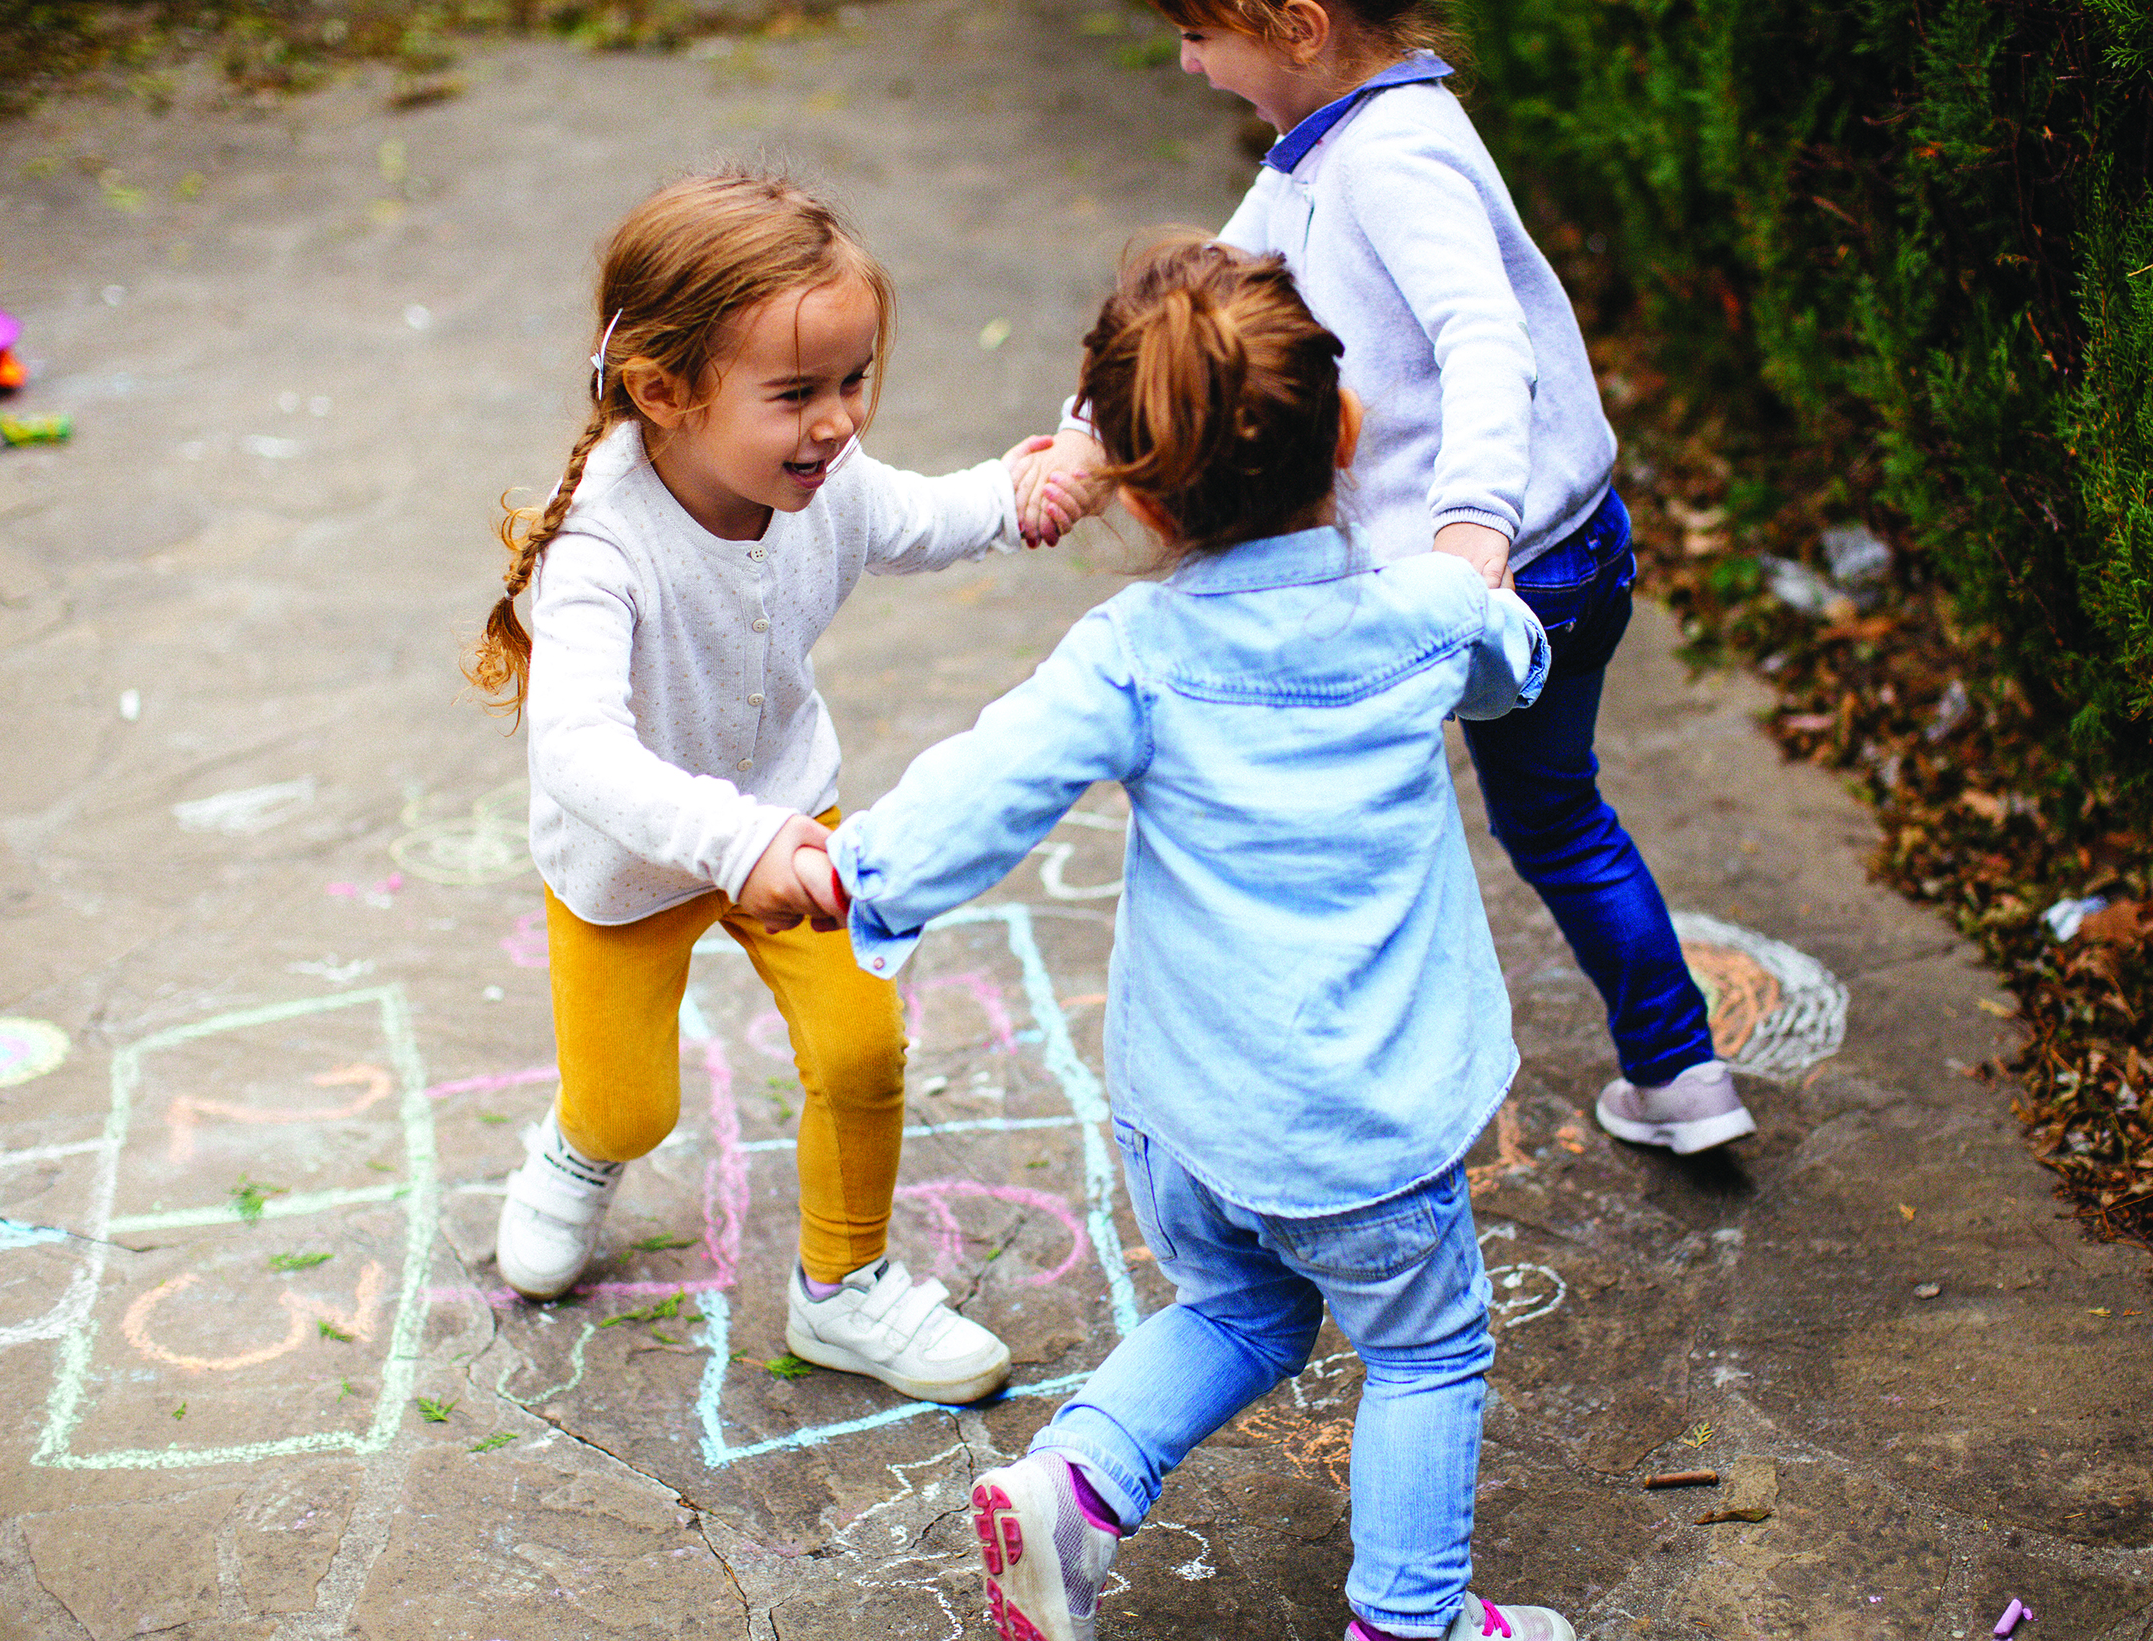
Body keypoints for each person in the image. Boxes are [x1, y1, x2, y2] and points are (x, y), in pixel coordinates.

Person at [764, 239, 1573, 1641]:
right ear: (1347, 428)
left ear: (1136, 491)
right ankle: (1411, 1621)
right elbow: (1514, 668)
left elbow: (994, 776)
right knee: (1427, 1347)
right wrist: (1472, 585)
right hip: (1366, 1126)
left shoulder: (1136, 649)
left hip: (1188, 1116)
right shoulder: (1424, 619)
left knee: (1243, 1309)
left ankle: (1076, 1484)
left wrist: (858, 869)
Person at [1014, 0, 1753, 1154]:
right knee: (1558, 819)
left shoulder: (1393, 157)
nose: (1186, 62)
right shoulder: (1329, 145)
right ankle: (1681, 1077)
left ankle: (1343, 1098)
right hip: (1565, 547)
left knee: (1336, 821)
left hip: (1487, 572)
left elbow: (1485, 338)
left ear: (1298, 27)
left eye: (1200, 36)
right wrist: (1082, 433)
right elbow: (1200, 302)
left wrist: (1473, 531)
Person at [463, 167, 1054, 1404]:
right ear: (662, 392)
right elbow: (579, 750)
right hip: (630, 863)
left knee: (862, 1048)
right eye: (794, 394)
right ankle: (577, 1149)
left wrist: (1023, 492)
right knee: (629, 1110)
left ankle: (844, 1290)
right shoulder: (600, 547)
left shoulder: (825, 483)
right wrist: (736, 846)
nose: (836, 424)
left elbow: (928, 515)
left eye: (853, 380)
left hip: (790, 812)